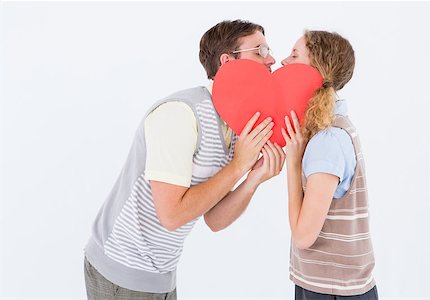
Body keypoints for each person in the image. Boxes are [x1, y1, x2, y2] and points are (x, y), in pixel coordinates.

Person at [84, 20, 286, 300]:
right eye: (259, 51)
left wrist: (253, 178)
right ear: (228, 62)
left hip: (162, 275)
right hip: (121, 270)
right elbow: (172, 215)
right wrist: (239, 166)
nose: (272, 59)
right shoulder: (179, 115)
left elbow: (214, 219)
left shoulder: (239, 128)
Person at [281, 30, 378, 299]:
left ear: (316, 72)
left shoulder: (328, 140)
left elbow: (303, 236)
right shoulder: (329, 129)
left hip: (332, 291)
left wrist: (292, 162)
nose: (283, 61)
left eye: (294, 55)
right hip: (330, 286)